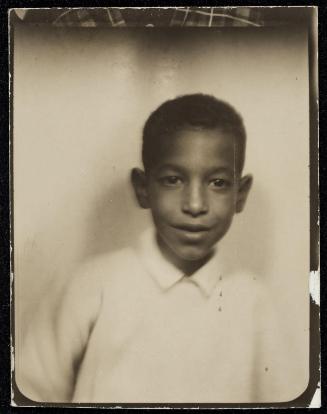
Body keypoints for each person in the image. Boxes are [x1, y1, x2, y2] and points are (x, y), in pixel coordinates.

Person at [16, 94, 307, 404]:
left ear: (241, 194)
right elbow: (31, 393)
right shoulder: (91, 286)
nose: (195, 205)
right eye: (173, 180)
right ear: (143, 188)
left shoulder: (254, 304)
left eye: (218, 183)